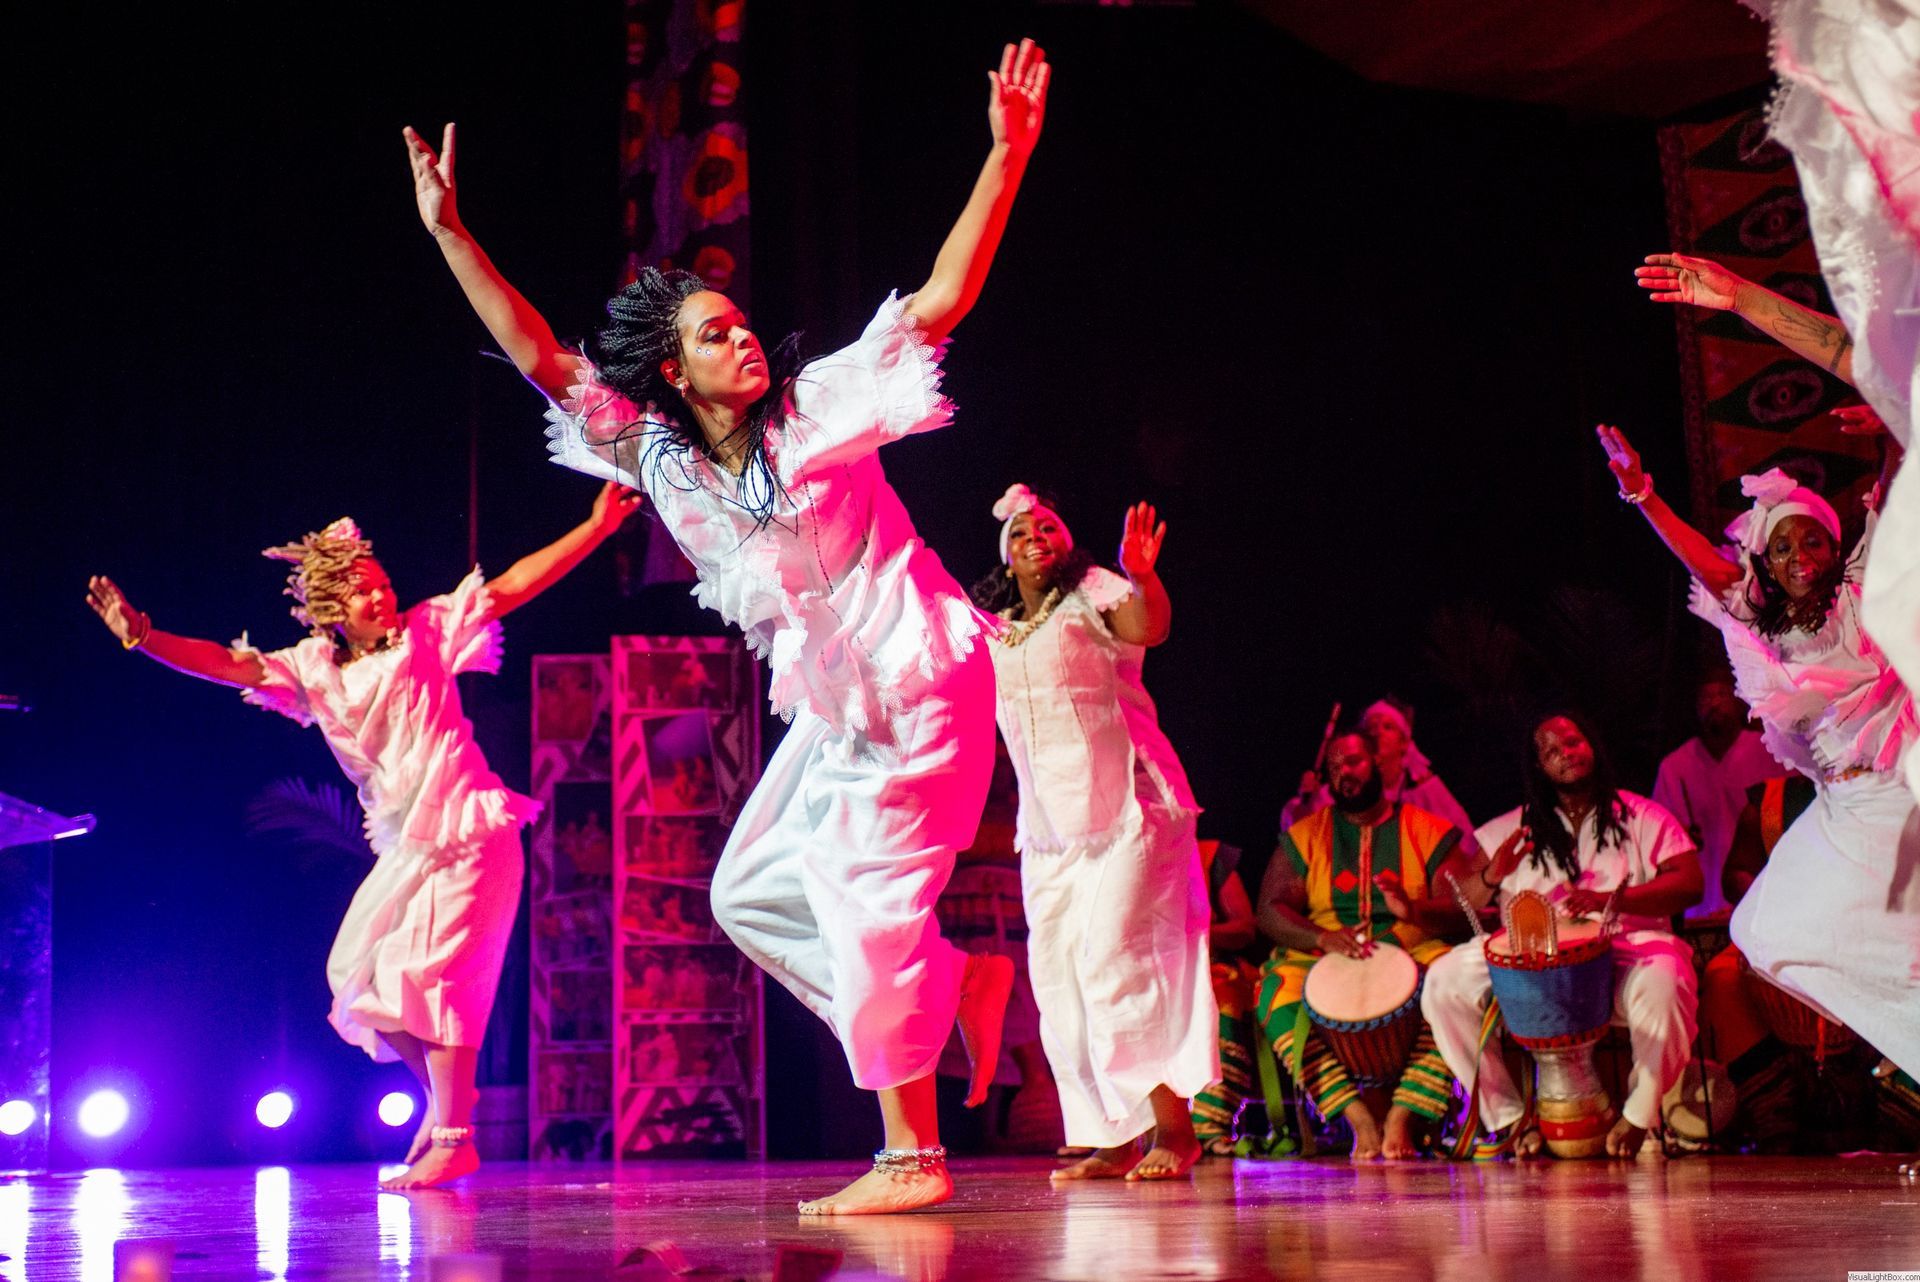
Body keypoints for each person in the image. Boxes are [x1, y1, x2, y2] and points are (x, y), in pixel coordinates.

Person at [405, 39, 1052, 1215]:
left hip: (915, 673)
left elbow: (942, 300)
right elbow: (542, 357)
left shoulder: (820, 407)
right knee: (746, 891)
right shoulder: (659, 458)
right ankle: (949, 995)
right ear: (671, 369)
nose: (743, 335)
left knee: (862, 888)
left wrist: (1003, 158)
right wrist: (452, 234)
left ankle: (912, 1153)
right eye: (713, 332)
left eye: (743, 322)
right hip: (835, 705)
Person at [85, 482, 642, 1188]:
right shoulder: (312, 671)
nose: (381, 599)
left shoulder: (428, 630)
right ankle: (449, 1108)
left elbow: (510, 586)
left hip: (468, 827)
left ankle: (454, 1133)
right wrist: (144, 635)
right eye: (363, 594)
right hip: (408, 848)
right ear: (330, 611)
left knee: (426, 979)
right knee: (358, 979)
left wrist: (594, 529)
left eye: (383, 586)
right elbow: (227, 665)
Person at [1596, 428, 1920, 1086]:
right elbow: (1707, 569)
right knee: (1762, 931)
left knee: (1898, 949)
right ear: (1765, 562)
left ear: (1835, 547)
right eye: (1783, 546)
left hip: (1893, 794)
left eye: (1813, 541)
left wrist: (1890, 436)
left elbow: (1893, 494)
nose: (1800, 555)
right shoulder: (1764, 622)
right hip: (1839, 805)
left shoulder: (1859, 594)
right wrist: (1643, 494)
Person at [971, 486, 1218, 1181]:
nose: (1036, 537)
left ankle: (1177, 1130)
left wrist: (1142, 575)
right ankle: (1113, 1139)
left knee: (1117, 960)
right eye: (1022, 533)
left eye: (1048, 526)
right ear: (1008, 557)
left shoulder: (1096, 591)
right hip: (1051, 830)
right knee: (1059, 983)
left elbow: (1149, 627)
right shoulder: (996, 628)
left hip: (1133, 809)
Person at [1423, 713, 1704, 1159]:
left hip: (1622, 951)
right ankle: (1507, 1117)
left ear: (1591, 745)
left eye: (1573, 743)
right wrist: (1494, 873)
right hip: (1529, 965)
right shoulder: (1512, 829)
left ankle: (1639, 1116)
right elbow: (1459, 896)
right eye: (1553, 751)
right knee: (1443, 981)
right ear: (1539, 766)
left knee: (1667, 978)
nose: (1566, 755)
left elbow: (1690, 882)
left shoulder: (1642, 816)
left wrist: (1612, 899)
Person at [1255, 730, 1464, 1161]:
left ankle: (1404, 1113)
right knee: (1274, 991)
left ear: (1378, 765)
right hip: (1323, 952)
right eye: (1333, 767)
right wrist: (1320, 937)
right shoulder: (1306, 836)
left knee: (1460, 985)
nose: (1342, 773)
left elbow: (1465, 906)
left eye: (1352, 762)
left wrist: (1413, 910)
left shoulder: (1427, 831)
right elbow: (1270, 908)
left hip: (1413, 947)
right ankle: (1353, 1114)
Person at [1651, 675, 1778, 919]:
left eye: (1721, 694)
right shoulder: (1675, 767)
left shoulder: (1769, 752)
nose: (1714, 703)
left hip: (1763, 898)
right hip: (1702, 907)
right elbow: (1660, 838)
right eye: (1706, 698)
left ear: (1738, 700)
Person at [1281, 699, 1478, 855]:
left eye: (1388, 727)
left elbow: (1466, 842)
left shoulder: (1423, 792)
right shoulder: (1343, 791)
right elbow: (1298, 836)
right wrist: (1305, 804)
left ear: (1404, 743)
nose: (1376, 732)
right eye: (1370, 727)